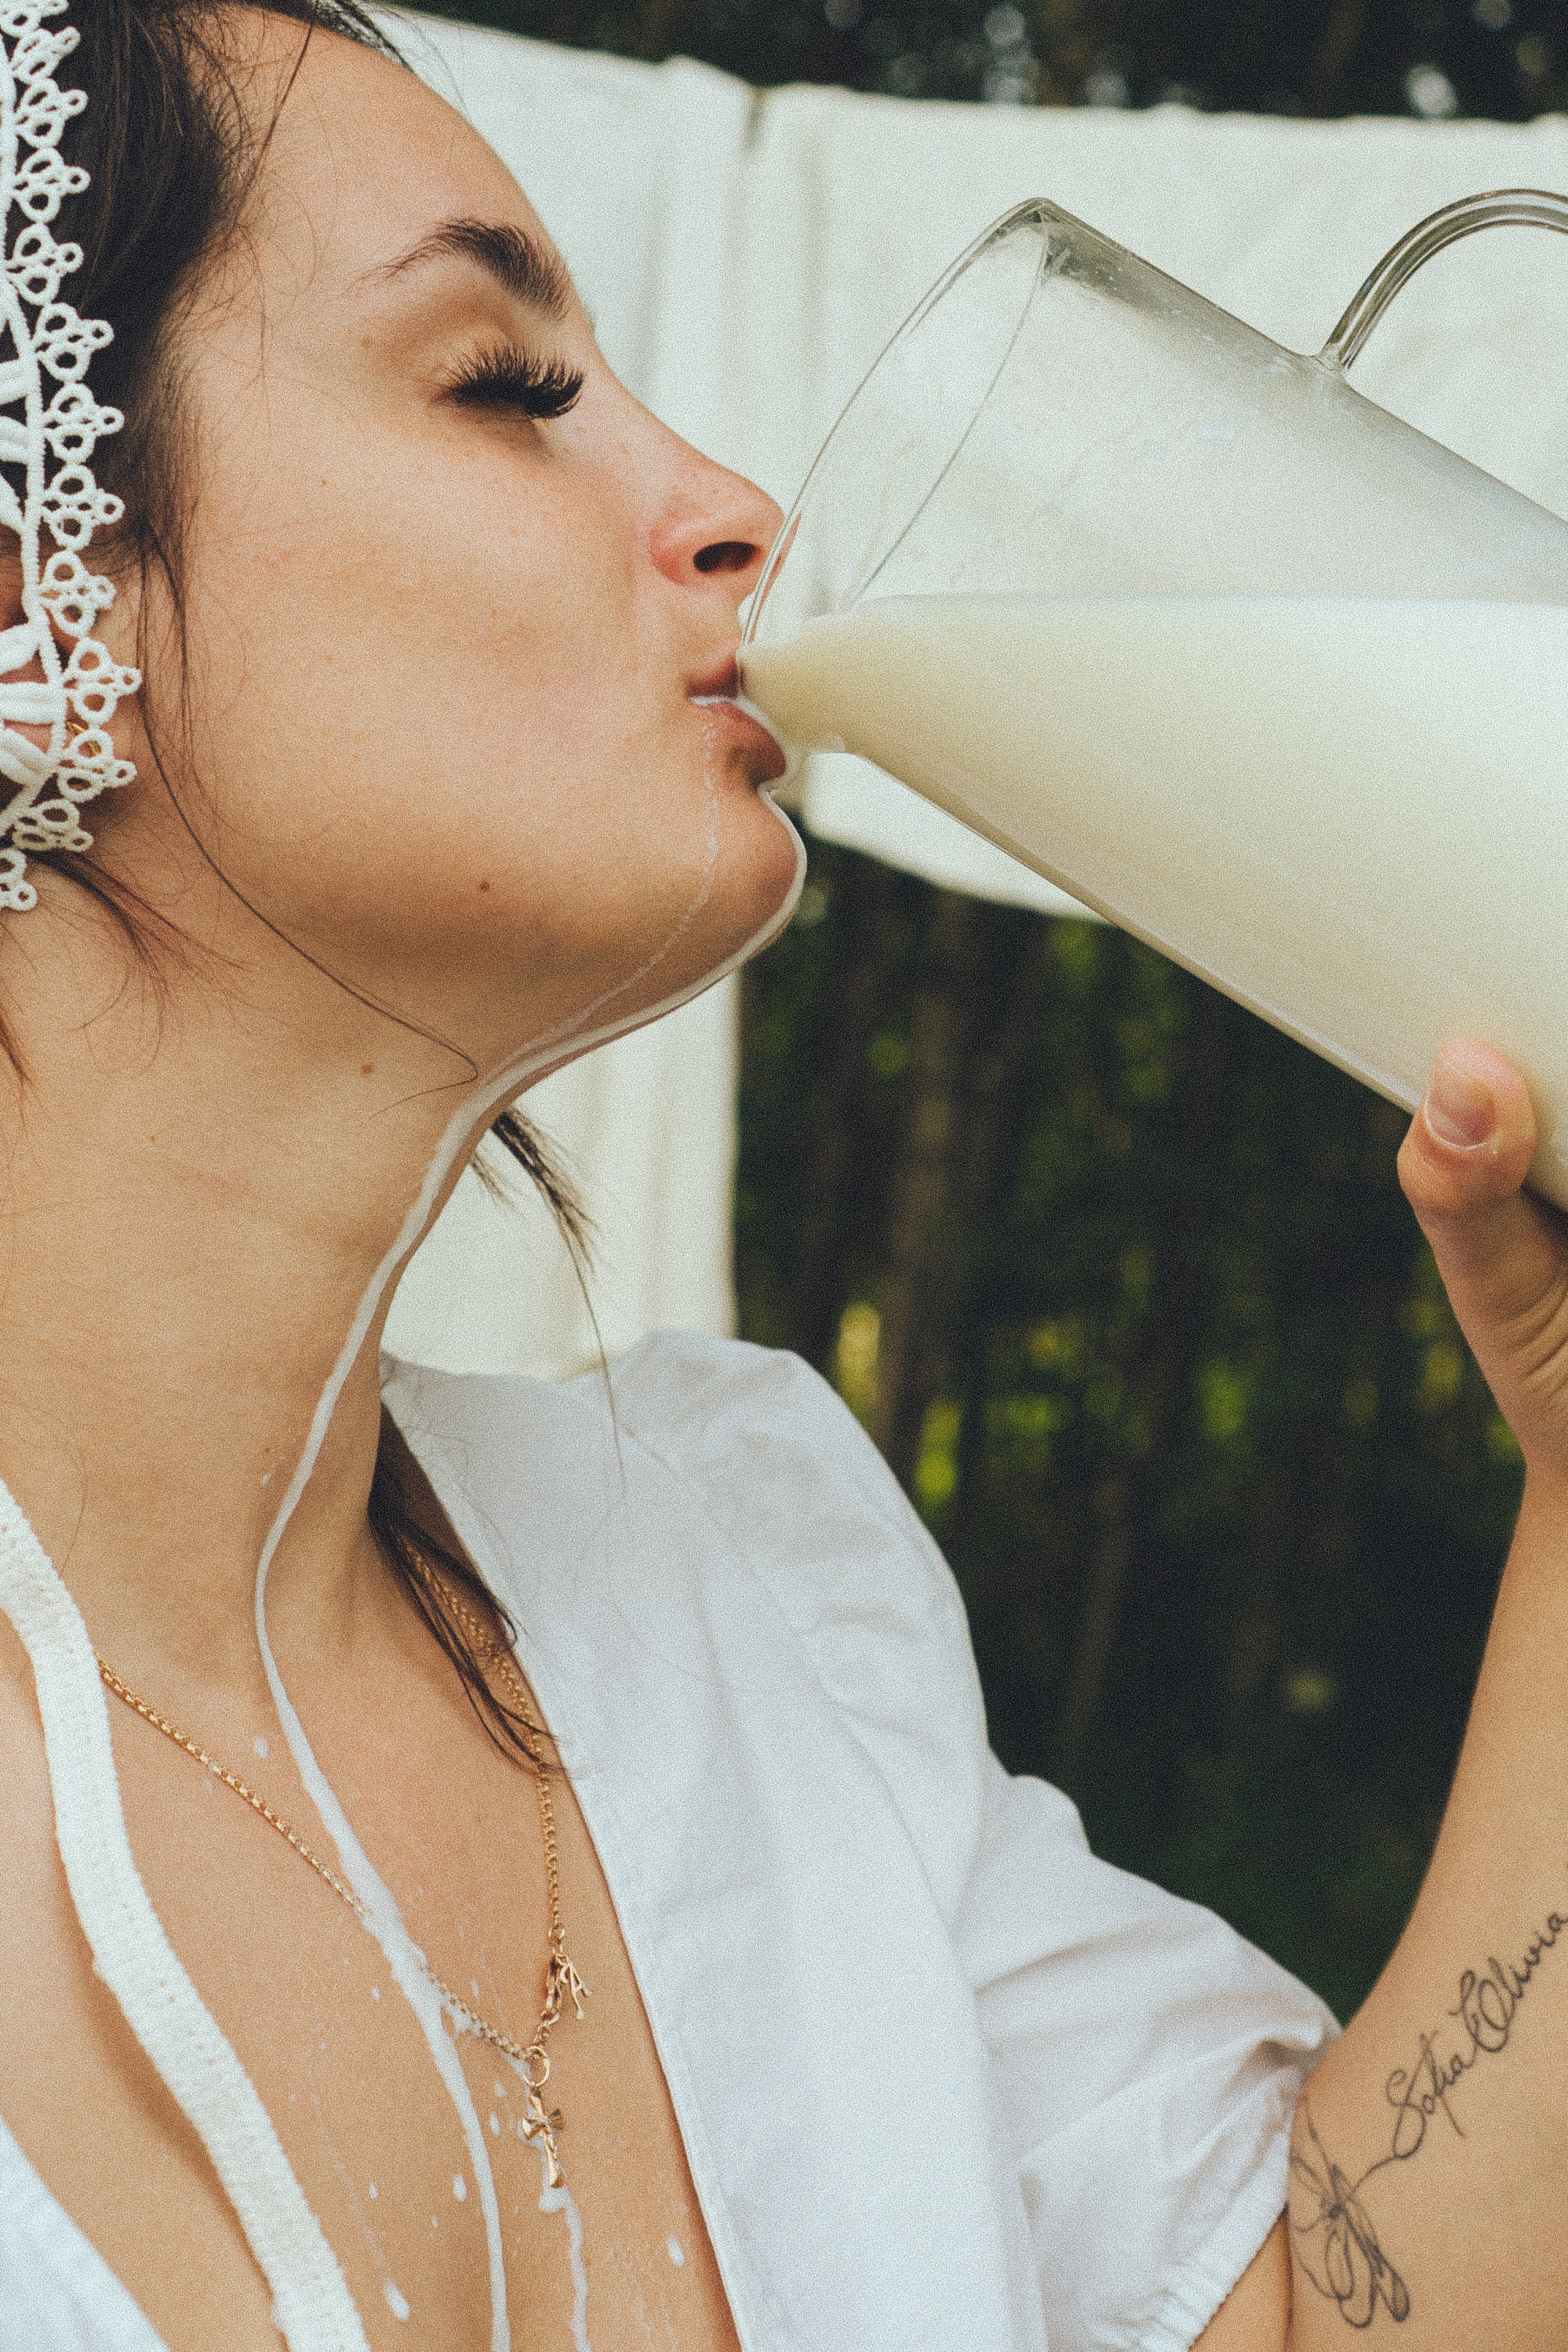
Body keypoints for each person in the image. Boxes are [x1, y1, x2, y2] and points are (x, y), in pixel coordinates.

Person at [0, 3, 1561, 2348]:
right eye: (504, 385)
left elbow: (1335, 2320)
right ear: (42, 593)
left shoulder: (729, 1582)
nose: (741, 505)